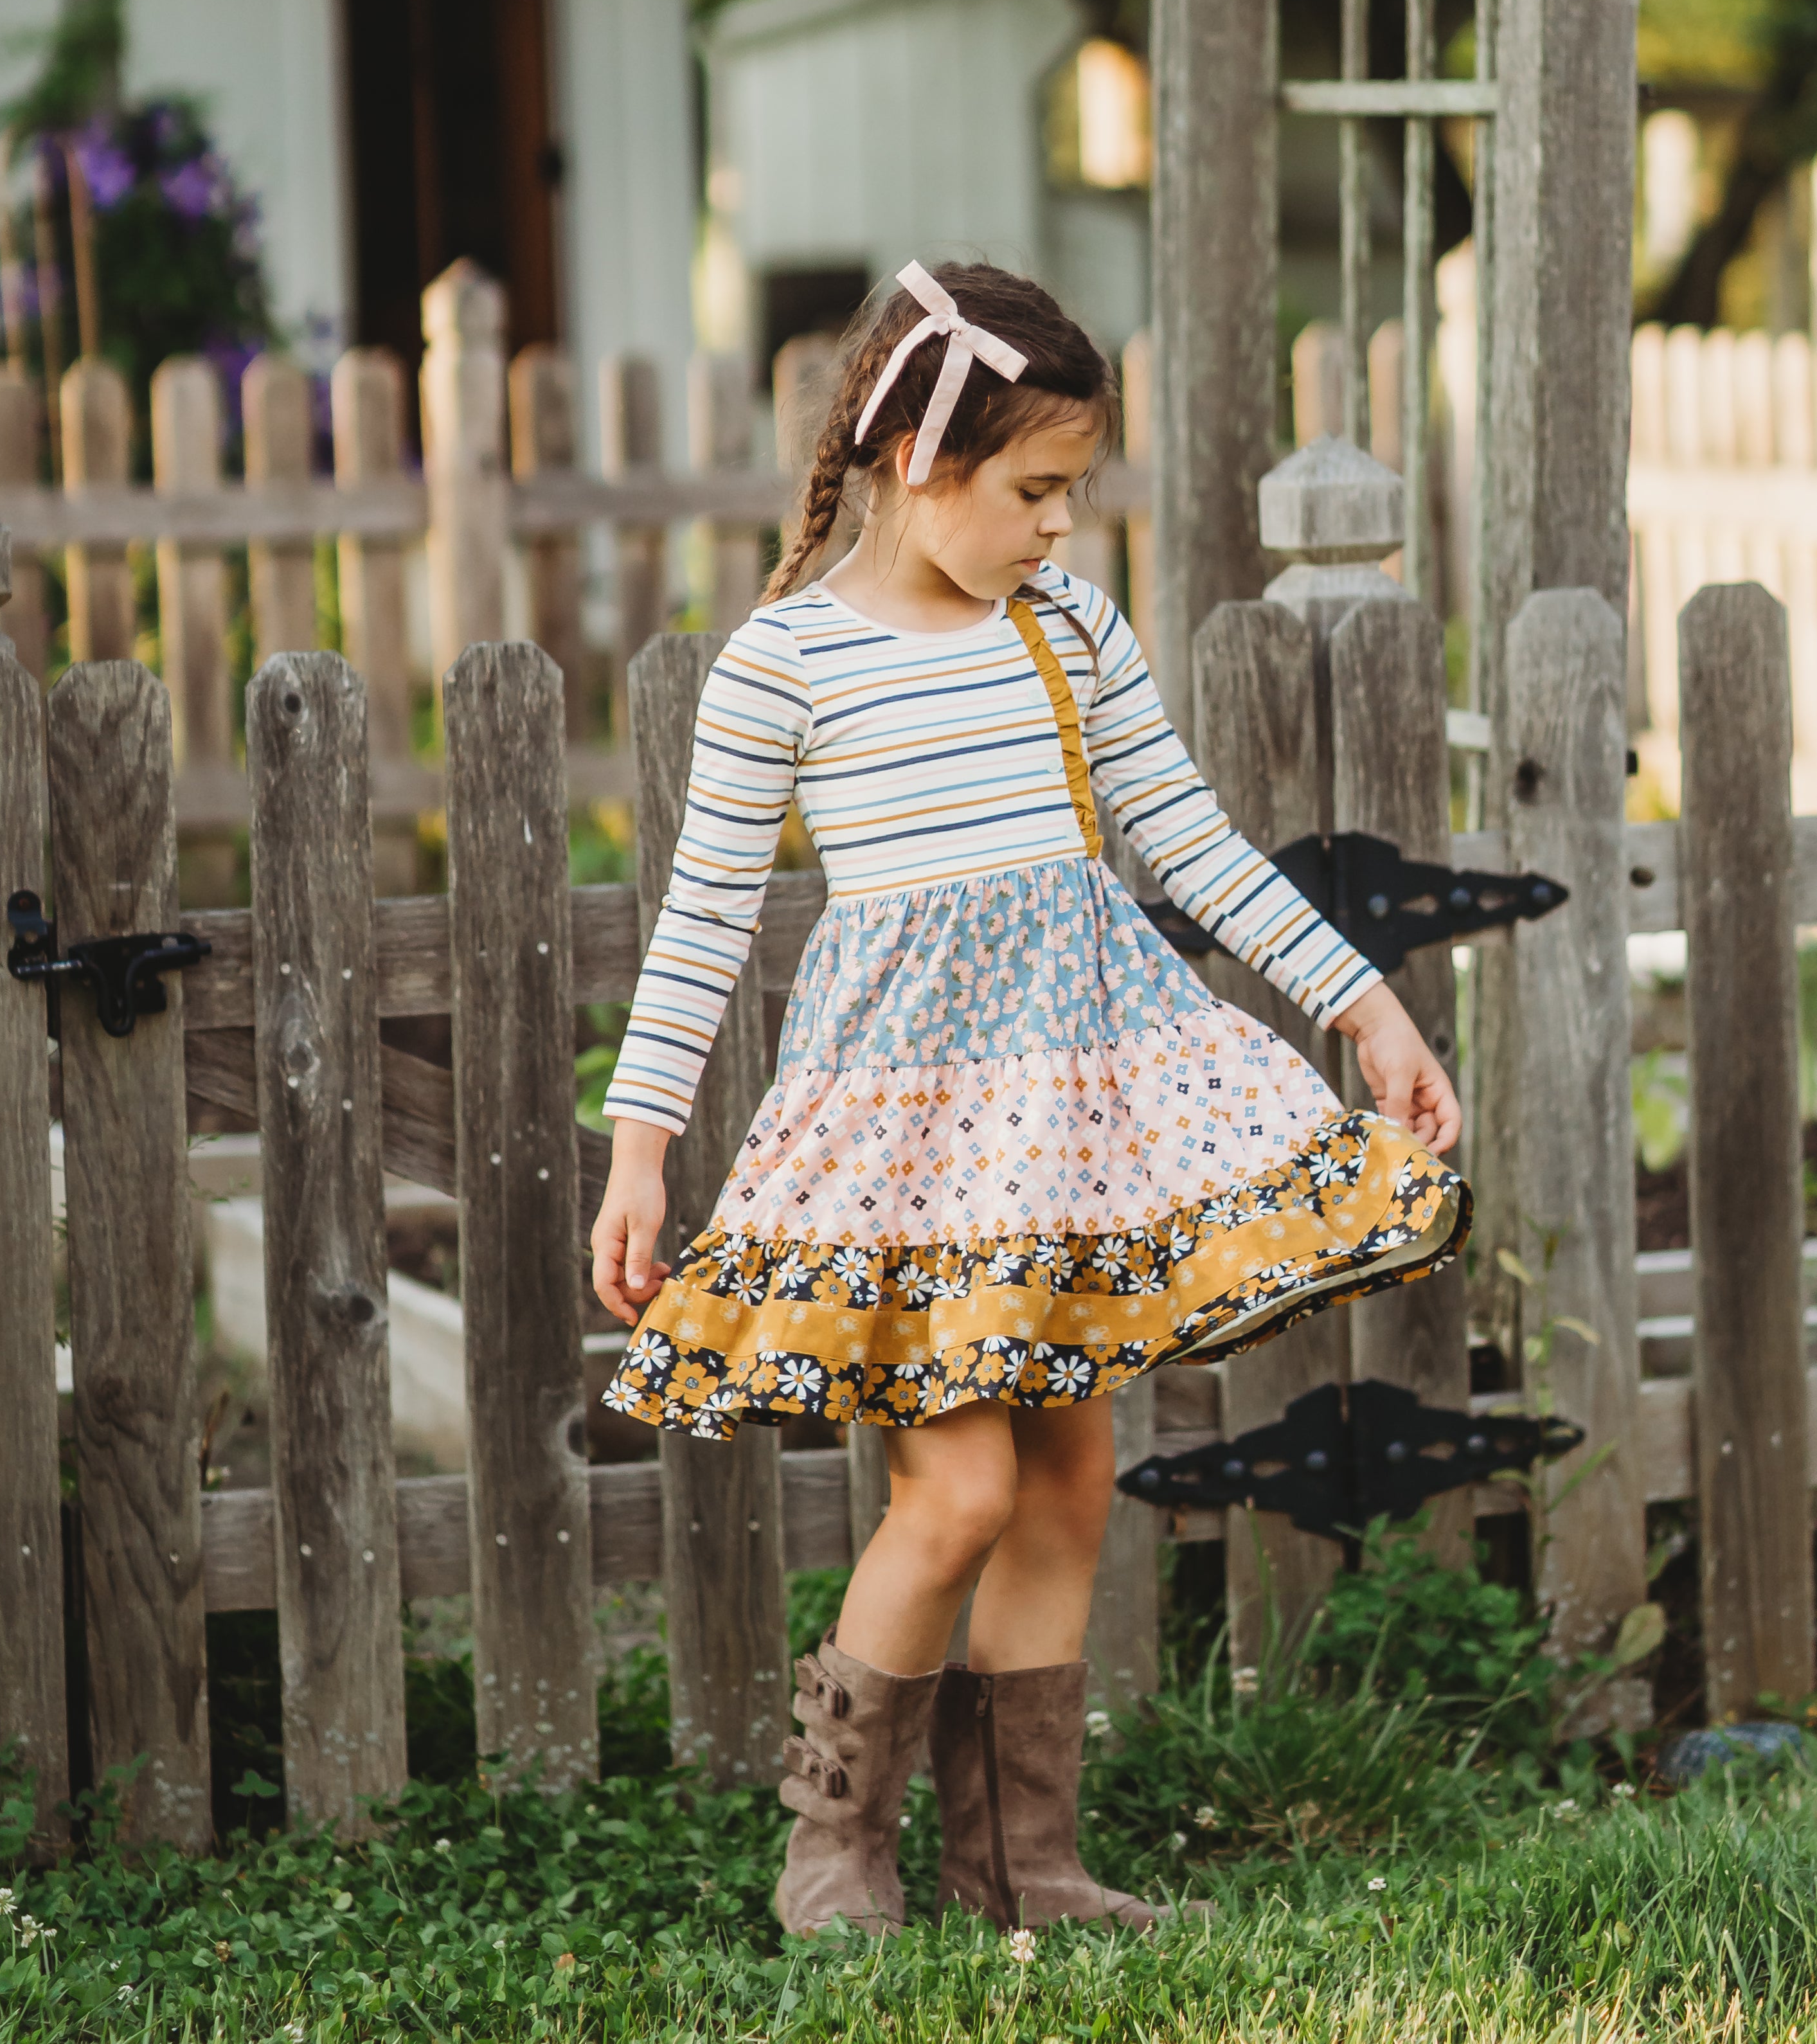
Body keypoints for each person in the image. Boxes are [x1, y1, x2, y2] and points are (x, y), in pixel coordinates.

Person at [591, 261, 1467, 1942]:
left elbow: (1193, 843)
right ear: (915, 451)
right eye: (1034, 489)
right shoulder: (784, 662)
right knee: (960, 1490)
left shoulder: (1066, 629)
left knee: (1069, 1482)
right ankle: (832, 1852)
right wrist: (640, 1153)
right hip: (907, 1147)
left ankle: (1027, 1866)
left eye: (1067, 492)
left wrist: (1365, 1004)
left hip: (1065, 1127)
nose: (1056, 528)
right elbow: (698, 919)